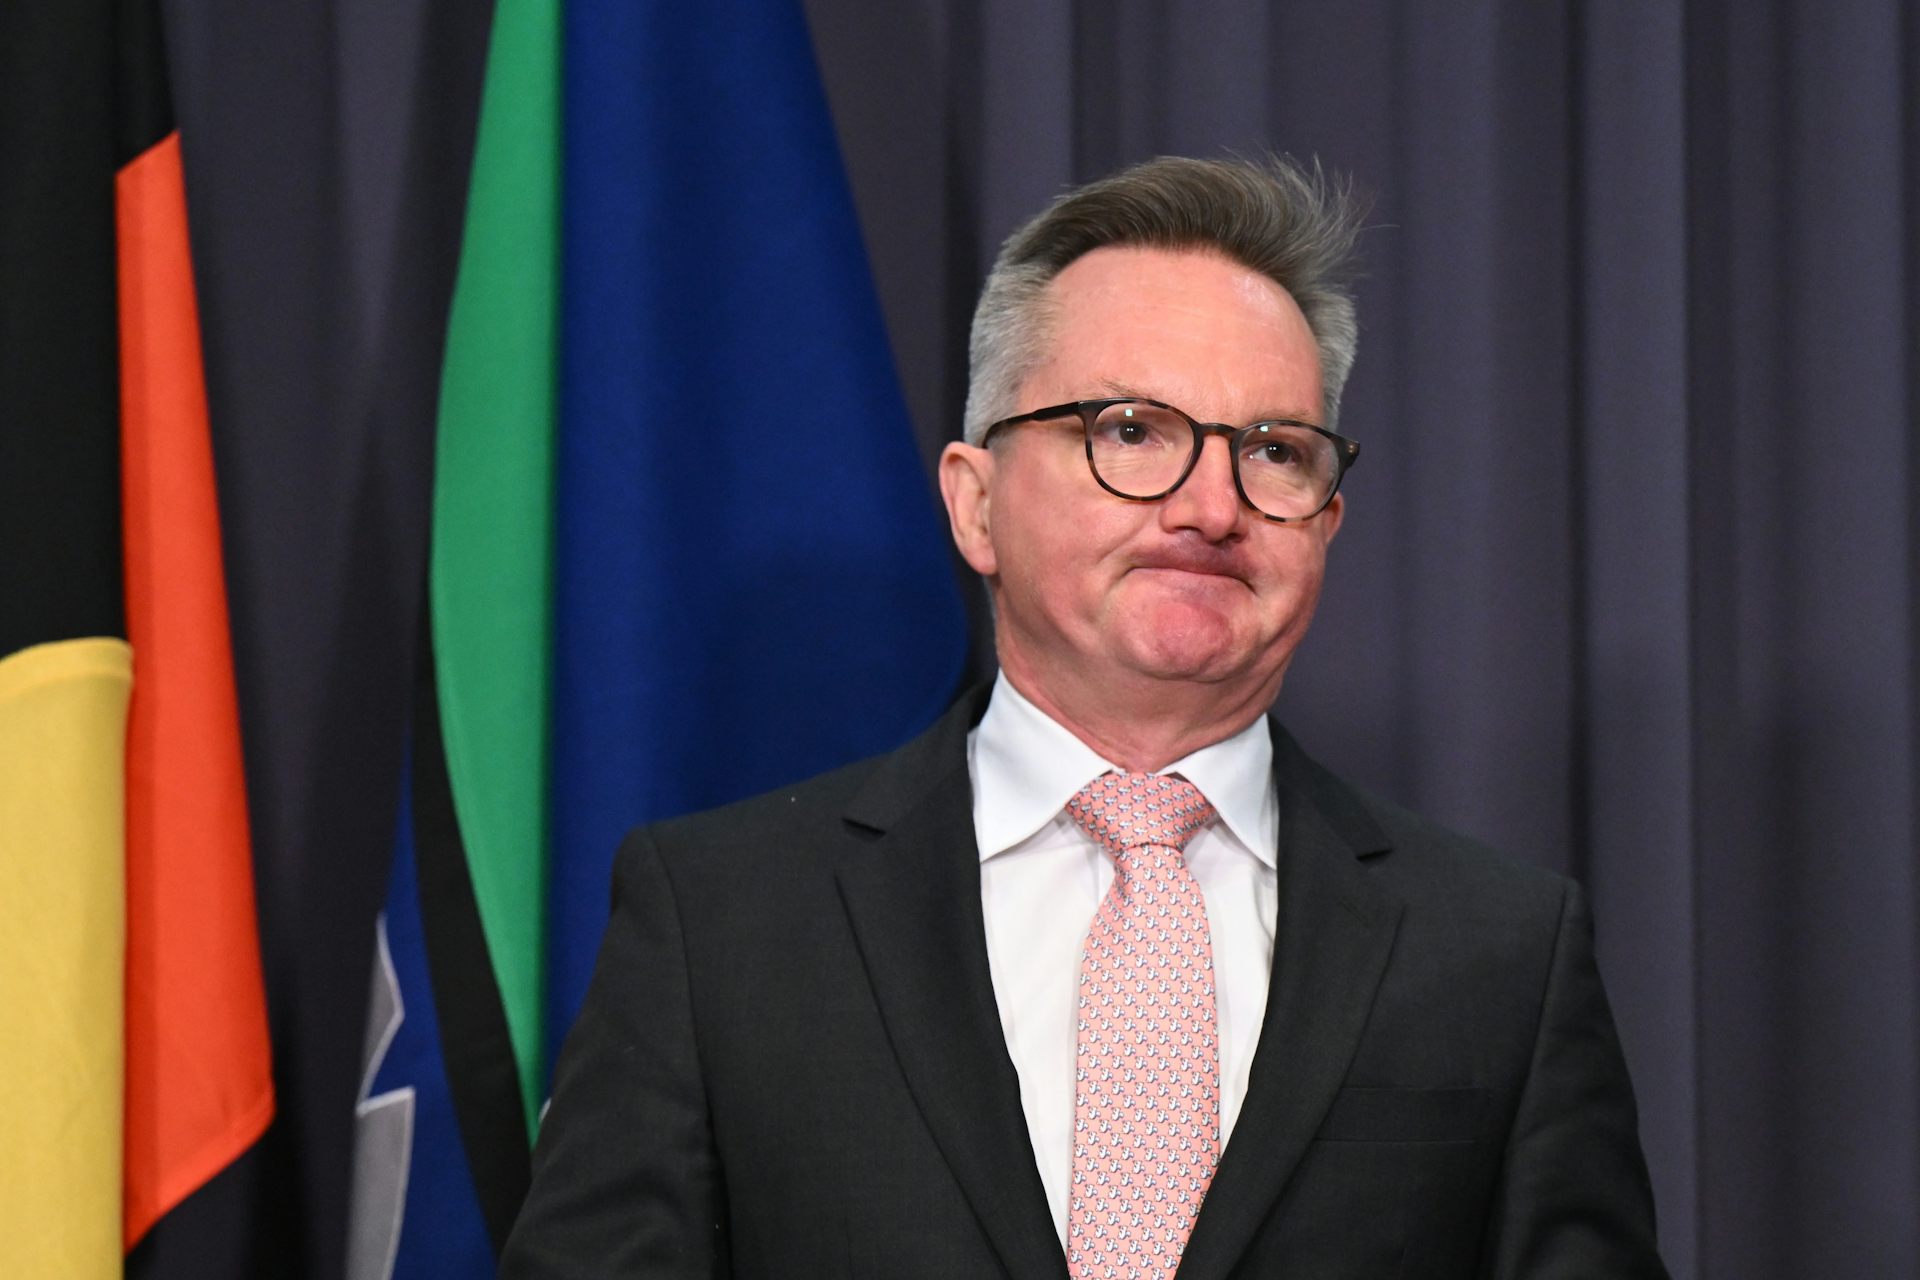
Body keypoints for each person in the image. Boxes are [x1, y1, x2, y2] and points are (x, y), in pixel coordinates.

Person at [501, 155, 1668, 1279]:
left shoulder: (1500, 952)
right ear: (976, 503)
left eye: (1274, 450)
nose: (1212, 506)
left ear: (1326, 522)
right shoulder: (721, 927)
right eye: (1132, 431)